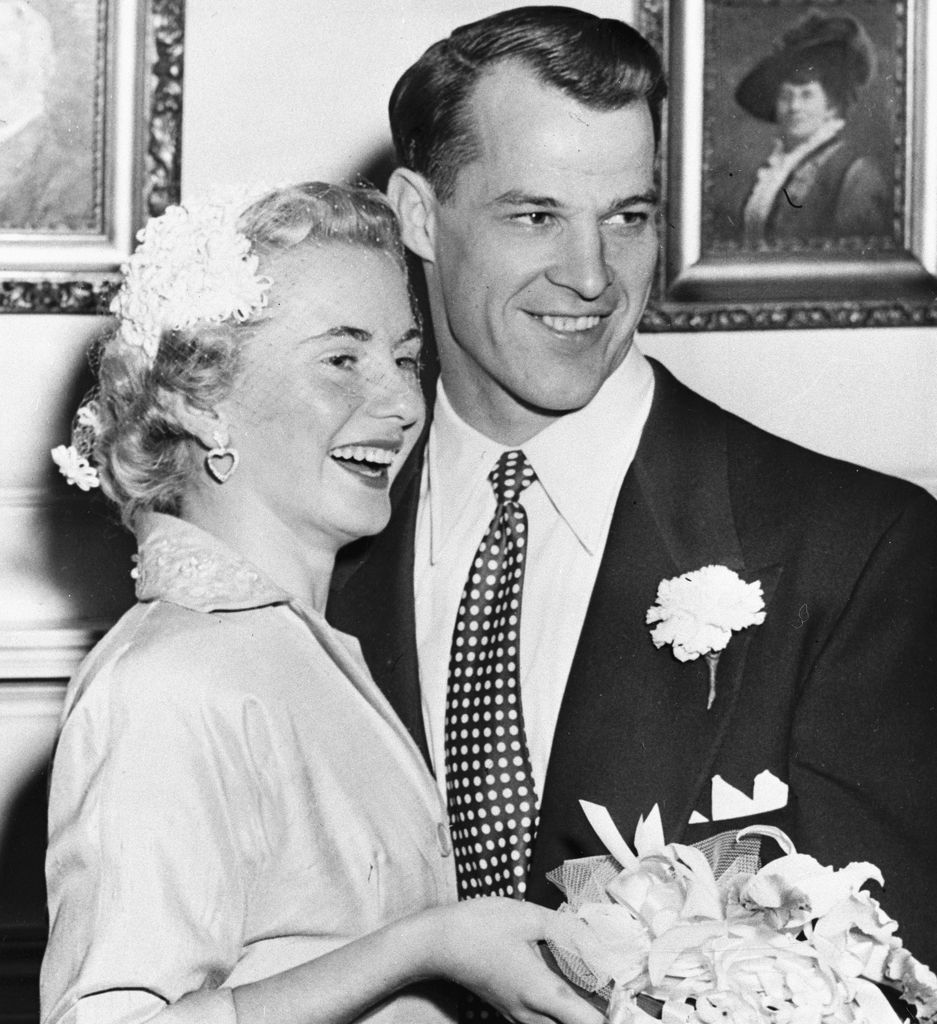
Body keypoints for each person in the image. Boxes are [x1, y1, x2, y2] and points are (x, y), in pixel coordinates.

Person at [326, 4, 937, 987]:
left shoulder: (853, 552)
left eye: (628, 218)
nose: (590, 276)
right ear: (414, 211)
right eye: (534, 215)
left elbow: (890, 981)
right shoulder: (310, 536)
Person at [41, 182, 603, 1024]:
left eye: (407, 359)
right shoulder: (168, 683)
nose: (404, 404)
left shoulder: (299, 650)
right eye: (343, 360)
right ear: (199, 402)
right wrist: (422, 946)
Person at [734, 10, 891, 247]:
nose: (794, 106)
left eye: (807, 95)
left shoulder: (855, 173)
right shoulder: (774, 169)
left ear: (832, 105)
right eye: (786, 96)